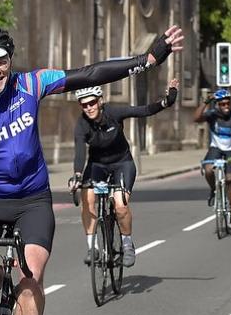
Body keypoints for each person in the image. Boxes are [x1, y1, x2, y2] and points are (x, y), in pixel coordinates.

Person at [0, 25, 183, 315]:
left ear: (10, 60)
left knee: (30, 279)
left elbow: (89, 74)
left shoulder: (30, 84)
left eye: (1, 61)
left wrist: (147, 59)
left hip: (33, 203)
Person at [69, 79, 178, 267]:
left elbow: (142, 110)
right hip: (97, 165)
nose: (89, 107)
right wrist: (77, 176)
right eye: (84, 104)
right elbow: (79, 152)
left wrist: (166, 101)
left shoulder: (114, 113)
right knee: (87, 201)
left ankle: (127, 245)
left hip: (122, 163)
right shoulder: (82, 124)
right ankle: (92, 248)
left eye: (92, 102)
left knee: (120, 205)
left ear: (100, 101)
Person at [194, 89, 231, 226]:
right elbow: (196, 118)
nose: (226, 106)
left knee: (230, 179)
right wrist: (206, 102)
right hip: (215, 149)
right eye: (222, 104)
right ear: (217, 105)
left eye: (228, 103)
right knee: (208, 170)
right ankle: (213, 189)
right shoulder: (212, 115)